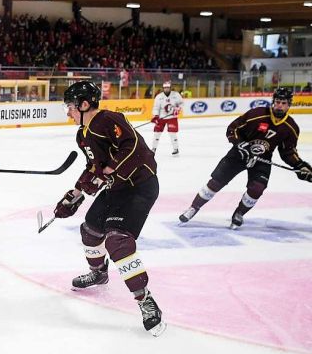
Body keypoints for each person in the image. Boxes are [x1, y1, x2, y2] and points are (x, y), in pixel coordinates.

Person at [53, 81, 165, 336]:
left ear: (84, 104)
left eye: (70, 107)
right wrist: (76, 194)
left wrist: (111, 168)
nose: (68, 113)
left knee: (118, 241)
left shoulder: (109, 119)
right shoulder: (83, 135)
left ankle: (144, 299)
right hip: (116, 189)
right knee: (90, 231)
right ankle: (99, 273)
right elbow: (95, 168)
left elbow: (133, 147)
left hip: (140, 187)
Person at [179, 87, 312, 228]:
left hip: (262, 159)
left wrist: (299, 165)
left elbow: (288, 152)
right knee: (216, 182)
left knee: (257, 189)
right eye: (277, 102)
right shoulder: (257, 114)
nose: (279, 105)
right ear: (273, 102)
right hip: (239, 153)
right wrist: (240, 144)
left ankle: (239, 213)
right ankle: (194, 207)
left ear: (289, 104)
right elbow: (232, 129)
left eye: (283, 103)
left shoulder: (290, 127)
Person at [150, 81, 183, 155]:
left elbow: (182, 103)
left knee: (172, 133)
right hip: (161, 117)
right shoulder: (159, 96)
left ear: (170, 88)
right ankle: (154, 148)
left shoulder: (176, 95)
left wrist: (177, 109)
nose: (166, 89)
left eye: (168, 87)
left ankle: (176, 148)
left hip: (172, 117)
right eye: (165, 88)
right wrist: (156, 116)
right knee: (157, 133)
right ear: (163, 88)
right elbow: (156, 107)